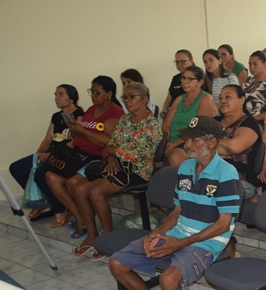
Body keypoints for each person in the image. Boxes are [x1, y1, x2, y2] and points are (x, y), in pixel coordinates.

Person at [108, 116, 242, 290]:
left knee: (168, 280)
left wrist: (180, 244)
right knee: (117, 263)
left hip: (209, 240)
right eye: (186, 139)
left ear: (211, 142)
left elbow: (223, 224)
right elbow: (178, 210)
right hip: (178, 232)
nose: (187, 144)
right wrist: (156, 233)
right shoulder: (186, 167)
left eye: (194, 140)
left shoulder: (226, 173)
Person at [70, 82, 163, 260]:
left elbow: (136, 156)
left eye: (132, 97)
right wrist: (112, 157)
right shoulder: (125, 120)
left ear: (144, 99)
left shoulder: (151, 126)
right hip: (117, 165)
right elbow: (111, 144)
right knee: (81, 189)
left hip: (137, 171)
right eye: (124, 97)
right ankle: (92, 235)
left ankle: (108, 240)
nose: (127, 101)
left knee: (96, 192)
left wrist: (113, 152)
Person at [44, 76, 124, 239]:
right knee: (50, 176)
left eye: (97, 92)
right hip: (78, 154)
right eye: (91, 92)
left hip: (96, 157)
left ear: (109, 93)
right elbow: (80, 134)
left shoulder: (115, 112)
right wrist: (74, 128)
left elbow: (109, 141)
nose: (93, 95)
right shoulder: (91, 109)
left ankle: (90, 227)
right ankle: (78, 215)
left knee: (74, 183)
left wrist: (82, 131)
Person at [9, 84, 84, 226]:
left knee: (40, 174)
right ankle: (42, 202)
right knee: (16, 168)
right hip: (51, 151)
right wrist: (39, 154)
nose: (57, 98)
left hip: (67, 154)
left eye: (61, 94)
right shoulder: (56, 116)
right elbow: (47, 140)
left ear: (72, 97)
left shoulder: (79, 115)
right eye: (55, 95)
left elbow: (75, 142)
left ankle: (60, 209)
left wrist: (48, 156)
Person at [215, 85, 263, 200]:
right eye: (220, 98)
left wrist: (208, 148)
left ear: (242, 100)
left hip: (237, 178)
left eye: (228, 97)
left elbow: (233, 147)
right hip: (211, 172)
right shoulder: (213, 121)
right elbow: (193, 144)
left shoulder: (249, 123)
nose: (223, 101)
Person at [163, 66, 218, 166]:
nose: (184, 82)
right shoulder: (178, 99)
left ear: (200, 82)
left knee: (175, 157)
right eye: (183, 78)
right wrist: (165, 142)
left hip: (191, 142)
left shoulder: (206, 98)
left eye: (189, 79)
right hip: (171, 142)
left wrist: (175, 144)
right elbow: (166, 125)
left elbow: (197, 129)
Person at [241, 50, 266, 122]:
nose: (251, 67)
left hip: (265, 121)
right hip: (245, 119)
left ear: (265, 64)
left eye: (255, 64)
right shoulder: (248, 82)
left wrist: (253, 120)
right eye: (250, 64)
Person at [161, 49, 194, 118]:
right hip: (173, 113)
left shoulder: (197, 78)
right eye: (177, 62)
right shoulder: (175, 78)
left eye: (183, 61)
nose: (179, 64)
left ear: (191, 61)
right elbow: (169, 98)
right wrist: (164, 110)